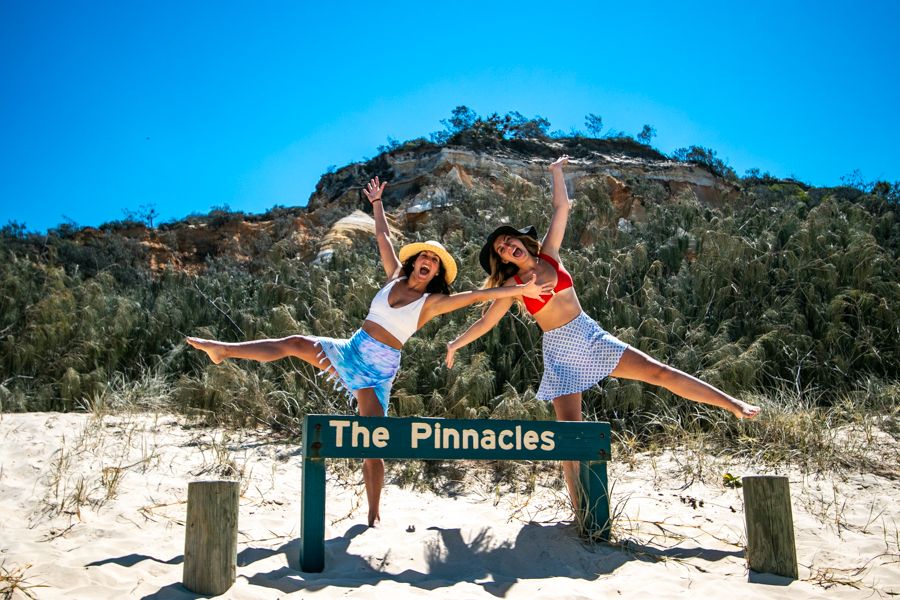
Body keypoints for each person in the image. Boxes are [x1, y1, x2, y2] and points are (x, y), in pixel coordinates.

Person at [187, 176, 552, 526]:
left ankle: (374, 513)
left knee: (371, 440)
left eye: (435, 261)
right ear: (414, 262)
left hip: (379, 369)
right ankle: (223, 349)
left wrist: (517, 292)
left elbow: (476, 296)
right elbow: (383, 236)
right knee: (295, 343)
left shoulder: (432, 302)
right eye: (424, 256)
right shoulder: (393, 275)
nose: (428, 262)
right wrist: (377, 203)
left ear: (437, 271)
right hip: (352, 349)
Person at [445, 156, 761, 511]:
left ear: (520, 240)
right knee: (571, 439)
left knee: (659, 372)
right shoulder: (512, 284)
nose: (507, 247)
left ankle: (733, 404)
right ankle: (581, 512)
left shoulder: (549, 256)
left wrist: (556, 171)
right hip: (560, 351)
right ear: (502, 259)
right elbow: (487, 321)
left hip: (588, 335)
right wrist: (457, 342)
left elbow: (561, 207)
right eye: (501, 249)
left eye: (508, 241)